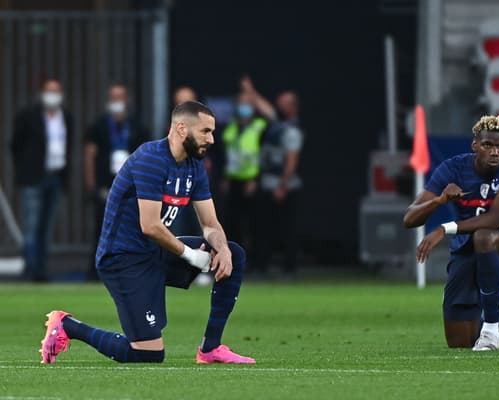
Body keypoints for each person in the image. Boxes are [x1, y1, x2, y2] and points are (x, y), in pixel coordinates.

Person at [40, 101, 255, 365]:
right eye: (205, 131)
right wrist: (190, 255)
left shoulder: (195, 166)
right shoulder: (151, 159)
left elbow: (210, 224)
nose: (211, 139)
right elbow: (150, 225)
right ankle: (68, 326)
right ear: (180, 128)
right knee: (148, 355)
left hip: (156, 251)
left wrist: (221, 249)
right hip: (123, 258)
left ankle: (210, 349)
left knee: (234, 253)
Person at [403, 115, 499, 351]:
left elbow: (495, 220)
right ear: (475, 146)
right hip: (466, 248)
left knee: (484, 236)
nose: (495, 152)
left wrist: (444, 228)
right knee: (460, 342)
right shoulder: (453, 168)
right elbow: (410, 218)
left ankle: (491, 330)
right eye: (487, 145)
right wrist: (439, 201)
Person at [84, 83, 149, 279]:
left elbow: (145, 158)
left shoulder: (137, 127)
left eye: (120, 97)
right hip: (106, 185)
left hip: (131, 187)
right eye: (113, 97)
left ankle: (128, 268)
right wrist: (91, 184)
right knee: (101, 227)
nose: (117, 102)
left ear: (126, 100)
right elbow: (89, 154)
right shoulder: (98, 126)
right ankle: (96, 270)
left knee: (131, 228)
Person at [10, 79, 73, 282]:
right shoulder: (29, 116)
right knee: (32, 225)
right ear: (41, 93)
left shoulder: (66, 118)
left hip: (55, 176)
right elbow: (15, 145)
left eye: (56, 91)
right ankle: (29, 267)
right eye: (49, 91)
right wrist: (25, 172)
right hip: (34, 178)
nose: (52, 95)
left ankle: (41, 270)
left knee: (46, 227)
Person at [242, 77, 304, 277]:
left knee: (288, 229)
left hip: (285, 186)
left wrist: (283, 185)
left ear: (293, 106)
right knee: (262, 228)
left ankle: (290, 268)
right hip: (268, 184)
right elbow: (266, 108)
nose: (279, 106)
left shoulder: (292, 129)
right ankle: (261, 266)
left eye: (285, 103)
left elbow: (292, 160)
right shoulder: (277, 125)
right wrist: (251, 91)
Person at [219, 86, 269, 262]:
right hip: (233, 180)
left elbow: (264, 155)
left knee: (256, 224)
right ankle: (237, 261)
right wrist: (225, 177)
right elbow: (228, 155)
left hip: (253, 180)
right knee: (233, 225)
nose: (243, 107)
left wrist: (256, 178)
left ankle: (259, 264)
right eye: (240, 103)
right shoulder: (230, 127)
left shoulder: (260, 126)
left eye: (247, 104)